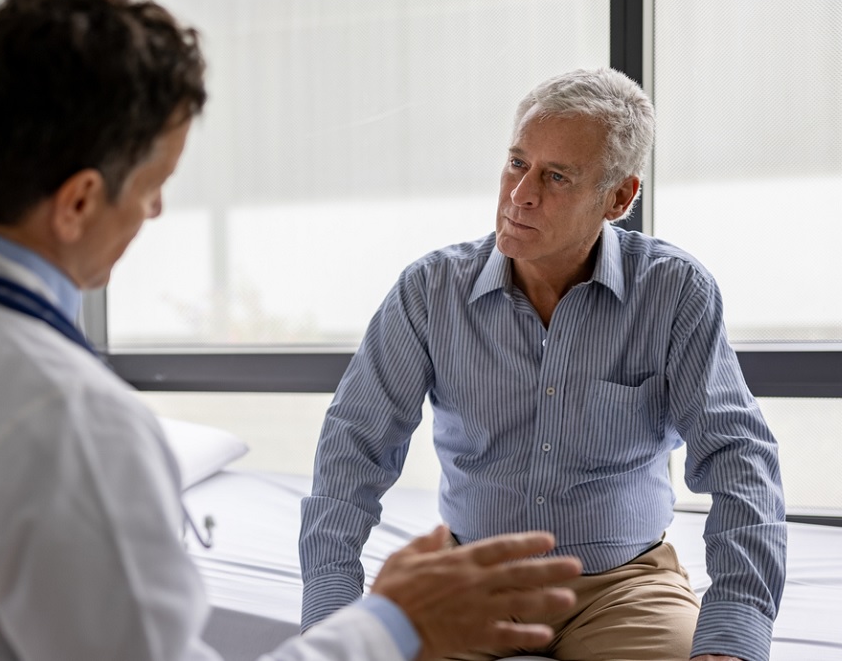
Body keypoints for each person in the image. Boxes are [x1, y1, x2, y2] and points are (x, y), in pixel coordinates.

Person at [0, 0, 583, 660]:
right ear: (79, 199)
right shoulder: (67, 419)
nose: (155, 208)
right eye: (155, 181)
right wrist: (396, 621)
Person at [298, 67, 787, 661]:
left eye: (556, 176)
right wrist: (331, 609)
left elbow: (738, 457)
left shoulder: (674, 292)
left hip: (624, 586)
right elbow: (353, 449)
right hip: (470, 578)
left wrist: (734, 628)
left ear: (619, 198)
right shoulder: (429, 291)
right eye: (516, 163)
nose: (521, 193)